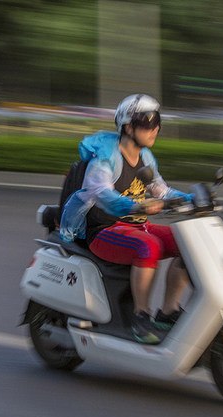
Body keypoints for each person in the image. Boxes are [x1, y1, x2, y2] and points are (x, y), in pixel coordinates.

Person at [60, 94, 192, 344]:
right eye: (147, 121)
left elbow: (160, 189)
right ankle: (140, 317)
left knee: (188, 243)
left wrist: (192, 199)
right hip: (103, 230)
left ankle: (168, 312)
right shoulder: (106, 158)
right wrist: (137, 205)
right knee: (148, 246)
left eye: (157, 121)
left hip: (136, 225)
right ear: (128, 126)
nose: (155, 128)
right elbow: (101, 194)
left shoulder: (146, 157)